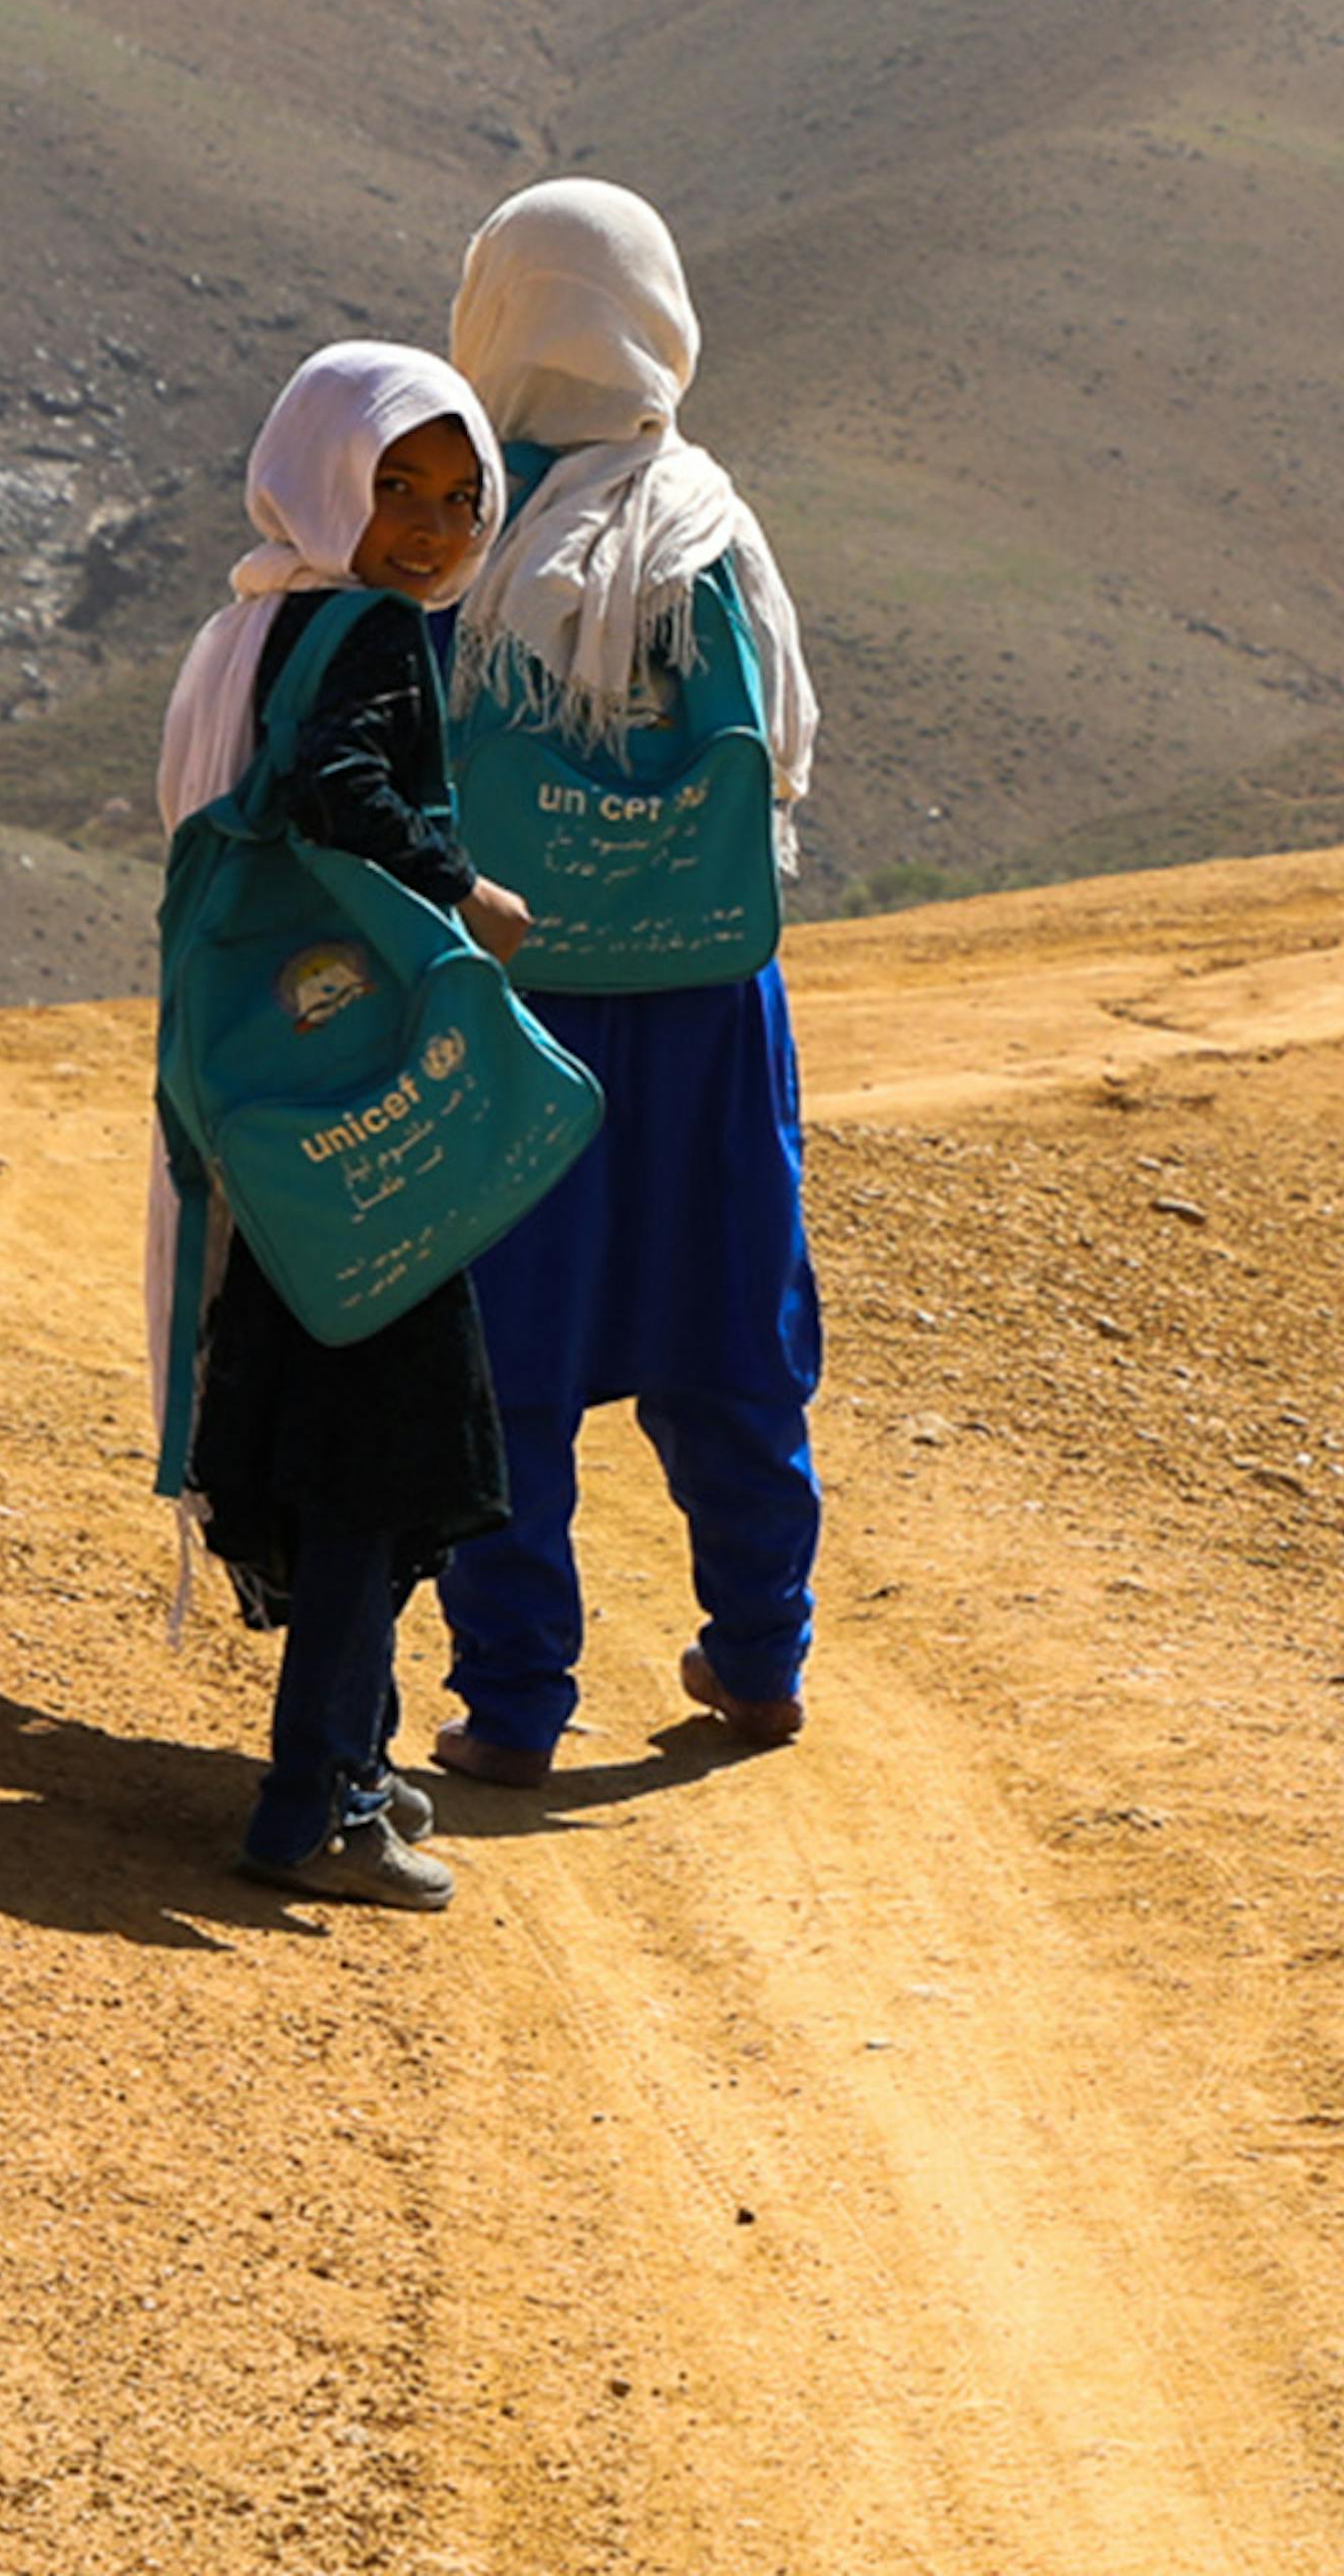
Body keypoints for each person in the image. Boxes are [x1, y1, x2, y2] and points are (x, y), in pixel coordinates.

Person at [416, 179, 831, 1783]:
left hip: (511, 994)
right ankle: (759, 1655)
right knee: (727, 1318)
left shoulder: (458, 527)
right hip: (711, 1003)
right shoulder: (711, 526)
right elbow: (780, 758)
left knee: (505, 1345)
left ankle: (513, 1703)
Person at [145, 340, 539, 1912]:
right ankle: (315, 1804)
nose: (433, 531)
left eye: (459, 498)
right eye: (395, 490)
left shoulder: (250, 625)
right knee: (383, 1454)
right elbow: (334, 792)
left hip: (257, 1091)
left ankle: (354, 1761)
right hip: (358, 1104)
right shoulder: (367, 636)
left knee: (317, 1425)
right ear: (325, 480)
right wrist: (464, 891)